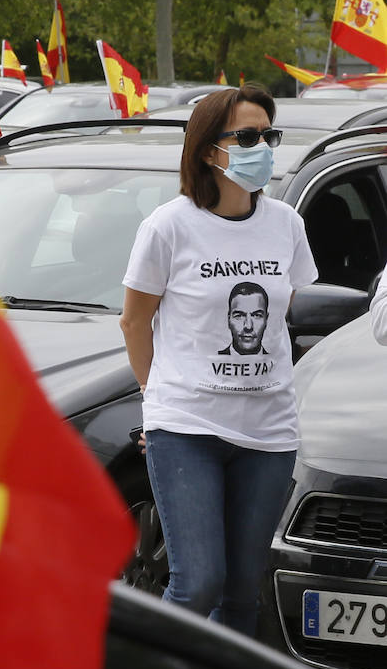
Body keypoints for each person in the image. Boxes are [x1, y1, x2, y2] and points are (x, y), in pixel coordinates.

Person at [119, 83, 317, 636]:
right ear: (210, 150)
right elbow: (135, 322)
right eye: (249, 136)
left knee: (241, 591)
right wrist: (154, 401)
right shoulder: (169, 226)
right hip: (187, 425)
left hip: (268, 433)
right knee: (197, 580)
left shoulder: (287, 225)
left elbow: (285, 313)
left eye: (269, 135)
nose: (264, 147)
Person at [217, 281, 269, 356]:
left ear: (266, 320)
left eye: (257, 315)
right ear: (229, 319)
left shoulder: (277, 363)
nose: (248, 326)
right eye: (239, 316)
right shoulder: (209, 360)